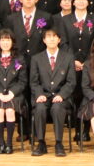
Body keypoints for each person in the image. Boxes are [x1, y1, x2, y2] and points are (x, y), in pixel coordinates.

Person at [29, 28, 76, 157]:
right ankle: (41, 143)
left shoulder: (68, 57)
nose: (51, 39)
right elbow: (34, 82)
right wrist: (39, 94)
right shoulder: (36, 58)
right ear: (44, 40)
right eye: (48, 36)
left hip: (61, 96)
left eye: (54, 36)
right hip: (43, 95)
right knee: (39, 108)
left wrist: (61, 95)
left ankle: (59, 143)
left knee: (57, 108)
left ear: (59, 39)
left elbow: (71, 82)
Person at [0, 29, 26, 154]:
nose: (5, 43)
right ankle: (1, 143)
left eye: (8, 40)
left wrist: (11, 93)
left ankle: (9, 144)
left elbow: (22, 81)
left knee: (9, 111)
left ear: (12, 42)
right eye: (2, 40)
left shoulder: (19, 59)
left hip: (14, 95)